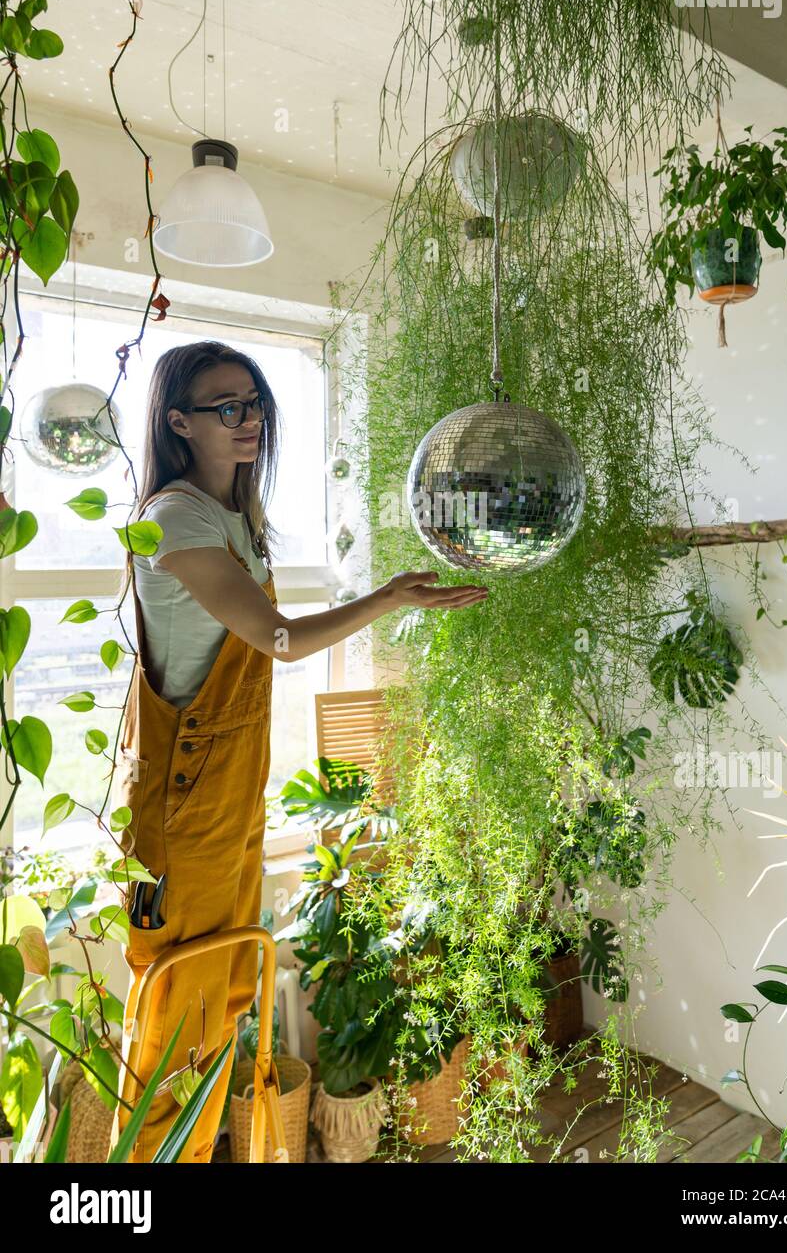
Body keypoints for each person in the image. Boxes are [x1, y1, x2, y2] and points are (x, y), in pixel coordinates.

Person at [108, 339, 488, 1162]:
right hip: (182, 800)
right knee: (179, 1014)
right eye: (225, 407)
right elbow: (276, 638)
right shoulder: (173, 518)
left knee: (225, 1000)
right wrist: (388, 597)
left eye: (254, 404)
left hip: (229, 788)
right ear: (178, 422)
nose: (248, 421)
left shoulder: (238, 519)